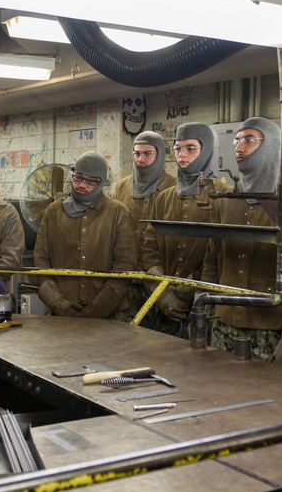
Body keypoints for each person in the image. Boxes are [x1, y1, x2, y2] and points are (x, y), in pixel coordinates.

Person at [201, 117, 282, 365]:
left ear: (271, 146)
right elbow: (212, 261)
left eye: (249, 139)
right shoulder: (225, 202)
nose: (239, 147)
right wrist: (207, 309)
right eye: (237, 140)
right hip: (223, 327)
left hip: (272, 332)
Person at [142, 123, 231, 334]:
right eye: (177, 148)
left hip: (203, 307)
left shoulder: (223, 196)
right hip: (163, 305)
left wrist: (191, 288)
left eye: (190, 148)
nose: (182, 154)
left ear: (206, 149)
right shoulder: (164, 197)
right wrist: (161, 292)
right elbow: (149, 247)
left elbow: (220, 254)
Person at [34, 151, 137, 318]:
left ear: (102, 182)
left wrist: (98, 309)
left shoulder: (118, 213)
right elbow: (41, 260)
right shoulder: (54, 211)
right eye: (78, 178)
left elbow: (125, 266)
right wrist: (58, 303)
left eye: (91, 181)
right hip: (62, 313)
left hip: (109, 314)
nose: (82, 185)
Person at [108, 131, 176, 323]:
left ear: (160, 154)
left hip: (162, 285)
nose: (141, 159)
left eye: (148, 153)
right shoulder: (120, 188)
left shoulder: (174, 189)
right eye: (137, 153)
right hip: (126, 283)